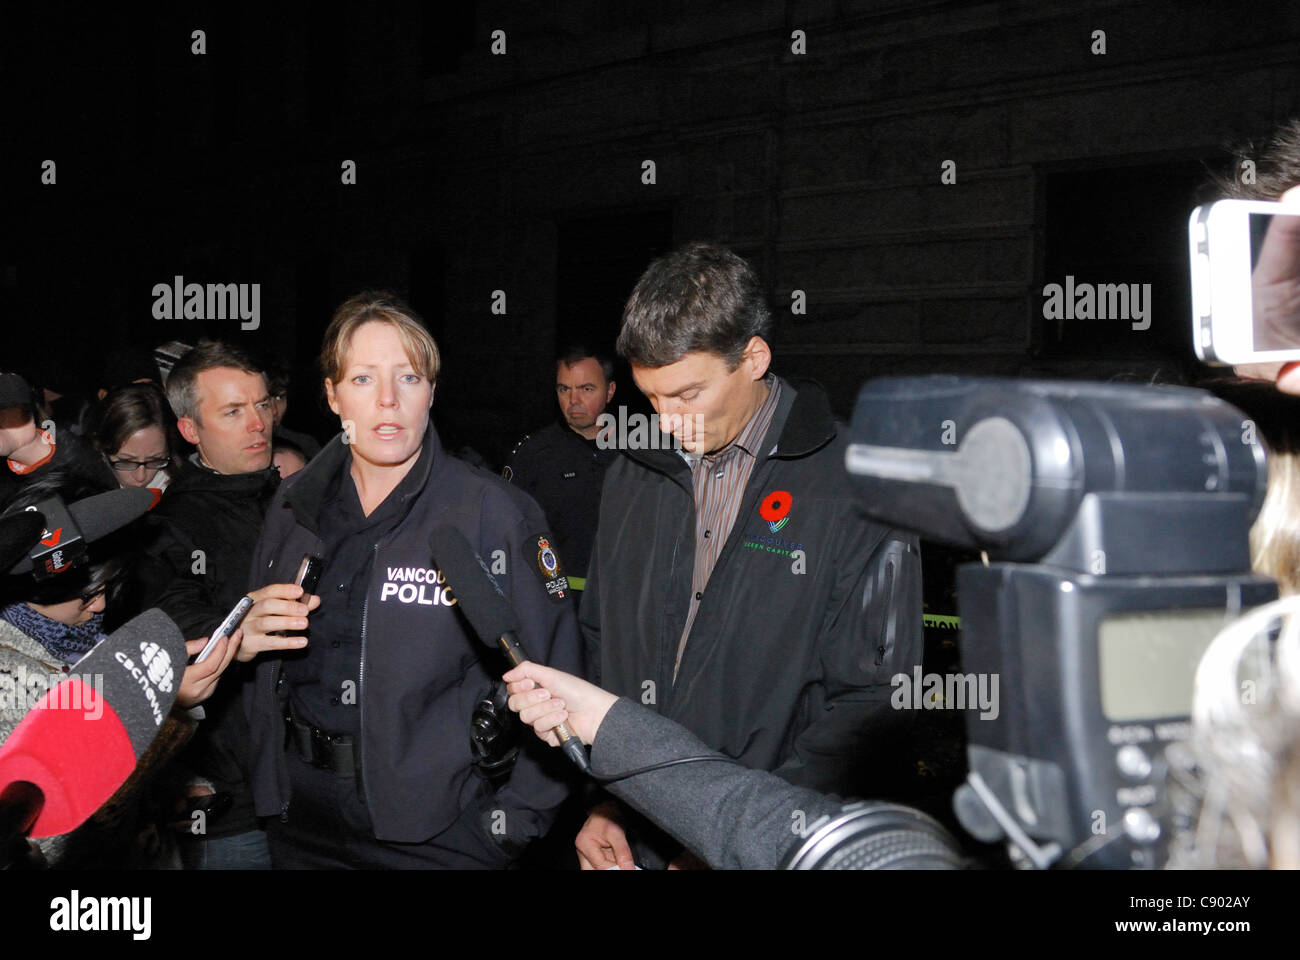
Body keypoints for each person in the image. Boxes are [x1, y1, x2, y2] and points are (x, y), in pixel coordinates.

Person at [577, 242, 924, 869]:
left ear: (754, 358)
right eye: (650, 398)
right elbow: (603, 645)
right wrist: (608, 797)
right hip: (639, 834)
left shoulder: (859, 487)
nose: (667, 420)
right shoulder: (631, 472)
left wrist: (737, 832)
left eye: (687, 394)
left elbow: (876, 702)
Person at [238, 292, 583, 868]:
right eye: (364, 379)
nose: (389, 400)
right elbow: (258, 665)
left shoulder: (492, 514)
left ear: (432, 391)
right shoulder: (294, 508)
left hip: (436, 834)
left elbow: (562, 677)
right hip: (300, 821)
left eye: (409, 377)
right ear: (331, 394)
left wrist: (508, 827)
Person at [0, 472, 244, 867]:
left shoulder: (86, 633)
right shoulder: (8, 676)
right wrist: (167, 707)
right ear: (33, 586)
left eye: (106, 590)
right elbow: (53, 835)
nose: (99, 607)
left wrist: (173, 789)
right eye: (85, 595)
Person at [142, 340, 281, 869]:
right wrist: (243, 628)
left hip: (316, 799)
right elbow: (179, 626)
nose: (257, 423)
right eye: (233, 411)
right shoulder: (170, 525)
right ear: (190, 430)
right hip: (233, 807)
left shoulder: (299, 501)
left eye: (262, 404)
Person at [503, 346, 618, 588]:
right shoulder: (534, 454)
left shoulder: (636, 455)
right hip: (556, 600)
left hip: (621, 602)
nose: (574, 400)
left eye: (586, 389)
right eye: (564, 389)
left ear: (609, 391)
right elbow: (508, 530)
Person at [86, 382, 179, 492]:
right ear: (102, 448)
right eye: (126, 462)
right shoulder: (81, 485)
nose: (141, 477)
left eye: (154, 461)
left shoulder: (182, 491)